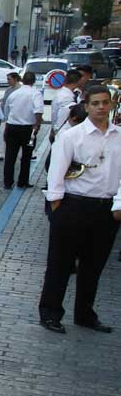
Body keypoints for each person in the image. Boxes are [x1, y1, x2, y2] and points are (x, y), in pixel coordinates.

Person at [39, 84, 121, 334]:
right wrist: (56, 206)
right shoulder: (72, 136)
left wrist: (118, 206)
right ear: (86, 106)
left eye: (105, 103)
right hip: (73, 205)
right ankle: (51, 312)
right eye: (95, 103)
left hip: (105, 209)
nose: (101, 107)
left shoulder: (118, 136)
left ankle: (85, 314)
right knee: (60, 264)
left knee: (93, 266)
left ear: (111, 105)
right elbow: (56, 172)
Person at [2, 72, 43, 190]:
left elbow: (7, 113)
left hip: (12, 126)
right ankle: (23, 181)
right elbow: (38, 111)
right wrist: (37, 125)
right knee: (26, 156)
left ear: (22, 80)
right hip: (27, 128)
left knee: (10, 156)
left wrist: (7, 128)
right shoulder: (35, 93)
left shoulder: (14, 94)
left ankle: (7, 182)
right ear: (34, 81)